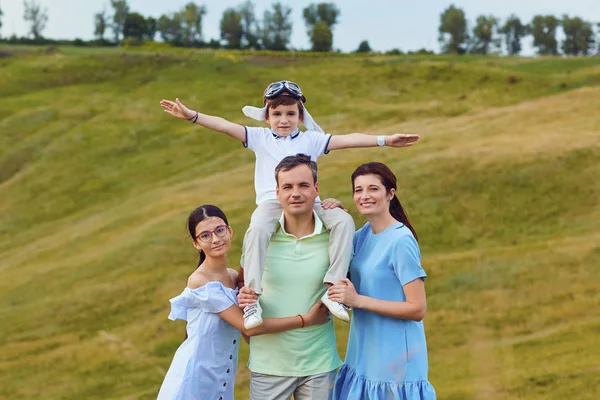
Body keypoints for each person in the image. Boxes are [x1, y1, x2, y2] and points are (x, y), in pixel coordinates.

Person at [160, 80, 420, 329]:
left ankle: (334, 289)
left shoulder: (312, 140)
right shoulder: (259, 136)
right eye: (277, 114)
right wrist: (191, 115)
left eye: (290, 114)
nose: (283, 120)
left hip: (310, 203)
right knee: (258, 228)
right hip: (272, 203)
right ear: (267, 117)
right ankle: (252, 300)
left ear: (300, 116)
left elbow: (348, 139)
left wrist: (386, 140)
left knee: (343, 221)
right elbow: (224, 125)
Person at [157, 204, 330, 400]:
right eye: (205, 235)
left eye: (219, 230)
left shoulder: (232, 277)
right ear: (196, 244)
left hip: (221, 372)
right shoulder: (200, 281)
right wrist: (305, 320)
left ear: (229, 231)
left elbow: (247, 335)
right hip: (196, 376)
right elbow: (248, 328)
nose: (215, 239)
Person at [237, 154, 343, 400]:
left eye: (303, 185)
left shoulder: (333, 236)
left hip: (320, 363)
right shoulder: (260, 236)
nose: (295, 193)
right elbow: (241, 283)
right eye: (287, 187)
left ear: (316, 189)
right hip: (269, 365)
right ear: (277, 192)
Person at [328, 162, 437, 400]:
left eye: (373, 189)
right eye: (358, 190)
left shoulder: (401, 240)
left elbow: (417, 308)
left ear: (390, 194)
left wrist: (358, 300)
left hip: (394, 360)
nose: (364, 196)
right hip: (363, 353)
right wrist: (336, 218)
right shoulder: (362, 235)